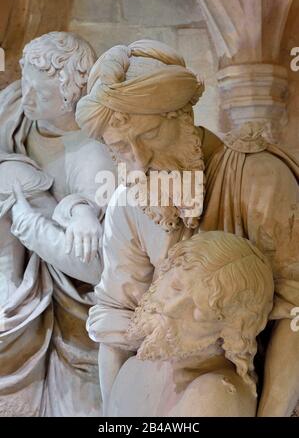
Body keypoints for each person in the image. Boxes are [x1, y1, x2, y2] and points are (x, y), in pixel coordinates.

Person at [76, 39, 299, 416]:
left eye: (148, 136)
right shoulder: (129, 202)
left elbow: (293, 317)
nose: (140, 160)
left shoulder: (258, 178)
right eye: (121, 148)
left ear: (182, 117)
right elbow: (117, 321)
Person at [0, 32, 115, 416]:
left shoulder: (92, 156)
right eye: (26, 83)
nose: (27, 97)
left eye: (42, 94)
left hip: (67, 311)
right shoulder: (16, 106)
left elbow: (98, 266)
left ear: (71, 98)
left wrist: (67, 213)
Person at [107, 231, 274, 417]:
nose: (170, 308)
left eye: (198, 310)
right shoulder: (134, 369)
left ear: (232, 328)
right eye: (176, 287)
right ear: (165, 272)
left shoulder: (213, 393)